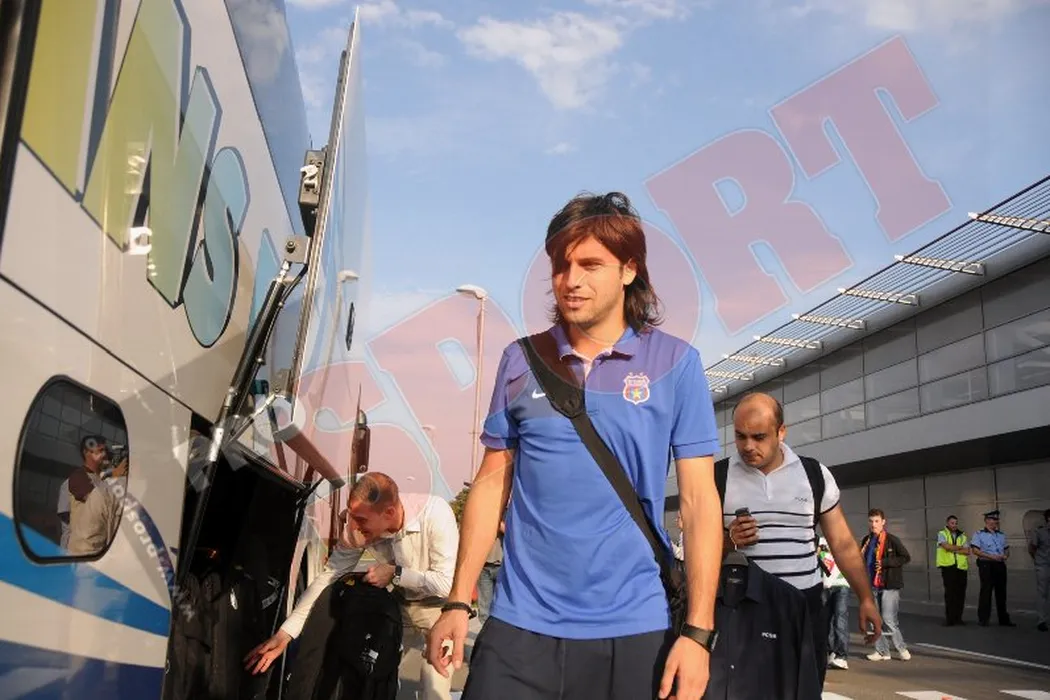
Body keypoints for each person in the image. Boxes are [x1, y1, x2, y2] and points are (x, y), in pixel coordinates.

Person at [426, 191, 724, 700]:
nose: (571, 280)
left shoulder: (676, 364)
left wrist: (698, 634)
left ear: (629, 270)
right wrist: (457, 601)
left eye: (590, 265)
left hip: (635, 627)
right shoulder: (521, 360)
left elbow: (698, 502)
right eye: (561, 266)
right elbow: (492, 482)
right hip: (521, 625)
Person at [244, 472, 459, 700]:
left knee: (434, 685)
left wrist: (395, 573)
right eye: (352, 517)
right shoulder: (357, 529)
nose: (354, 526)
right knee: (376, 676)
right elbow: (327, 579)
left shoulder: (435, 514)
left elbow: (445, 584)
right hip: (399, 605)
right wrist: (285, 634)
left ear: (389, 513)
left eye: (361, 520)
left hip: (439, 609)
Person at [721, 392, 880, 688]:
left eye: (759, 437)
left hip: (804, 608)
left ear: (781, 432)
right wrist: (728, 541)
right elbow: (696, 547)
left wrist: (866, 598)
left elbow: (842, 543)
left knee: (804, 689)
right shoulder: (718, 477)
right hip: (742, 609)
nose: (748, 446)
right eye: (740, 436)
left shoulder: (814, 474)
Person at [859, 509, 911, 661]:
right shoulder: (866, 540)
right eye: (871, 521)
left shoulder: (891, 540)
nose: (873, 524)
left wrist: (885, 562)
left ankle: (901, 648)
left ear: (883, 522)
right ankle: (882, 651)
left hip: (889, 584)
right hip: (871, 585)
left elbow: (905, 557)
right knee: (875, 619)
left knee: (888, 619)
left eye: (876, 521)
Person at [970, 509, 1014, 627]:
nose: (996, 522)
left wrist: (1005, 556)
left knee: (1001, 592)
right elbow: (975, 550)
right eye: (993, 519)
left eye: (996, 519)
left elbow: (1006, 549)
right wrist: (991, 556)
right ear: (987, 521)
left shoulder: (1001, 535)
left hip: (999, 564)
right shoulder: (979, 534)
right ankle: (983, 619)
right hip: (986, 564)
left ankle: (1003, 619)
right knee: (986, 591)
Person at [818, 536, 851, 670]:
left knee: (840, 619)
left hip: (841, 583)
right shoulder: (819, 541)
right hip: (825, 585)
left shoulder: (842, 538)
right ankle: (831, 651)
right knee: (826, 621)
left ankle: (841, 655)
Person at [936, 514, 970, 626]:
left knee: (960, 593)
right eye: (952, 523)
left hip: (961, 567)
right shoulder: (942, 533)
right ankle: (950, 619)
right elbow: (946, 547)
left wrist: (953, 549)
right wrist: (959, 548)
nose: (954, 525)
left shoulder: (962, 535)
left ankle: (958, 618)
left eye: (956, 523)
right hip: (948, 567)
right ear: (947, 523)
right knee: (950, 593)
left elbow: (967, 551)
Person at [1028, 509, 1050, 632]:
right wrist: (1037, 560)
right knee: (1043, 593)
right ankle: (1042, 620)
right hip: (1043, 565)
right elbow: (1032, 548)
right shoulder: (1040, 532)